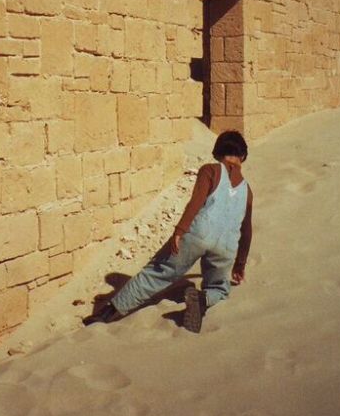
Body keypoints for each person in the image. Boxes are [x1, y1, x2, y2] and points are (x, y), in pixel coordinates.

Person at [86, 130, 254, 332]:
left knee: (157, 273)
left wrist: (179, 231)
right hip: (226, 246)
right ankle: (203, 299)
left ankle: (106, 313)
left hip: (198, 235)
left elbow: (196, 202)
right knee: (219, 287)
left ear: (217, 153)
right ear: (243, 156)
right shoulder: (247, 191)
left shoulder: (211, 170)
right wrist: (240, 265)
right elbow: (247, 231)